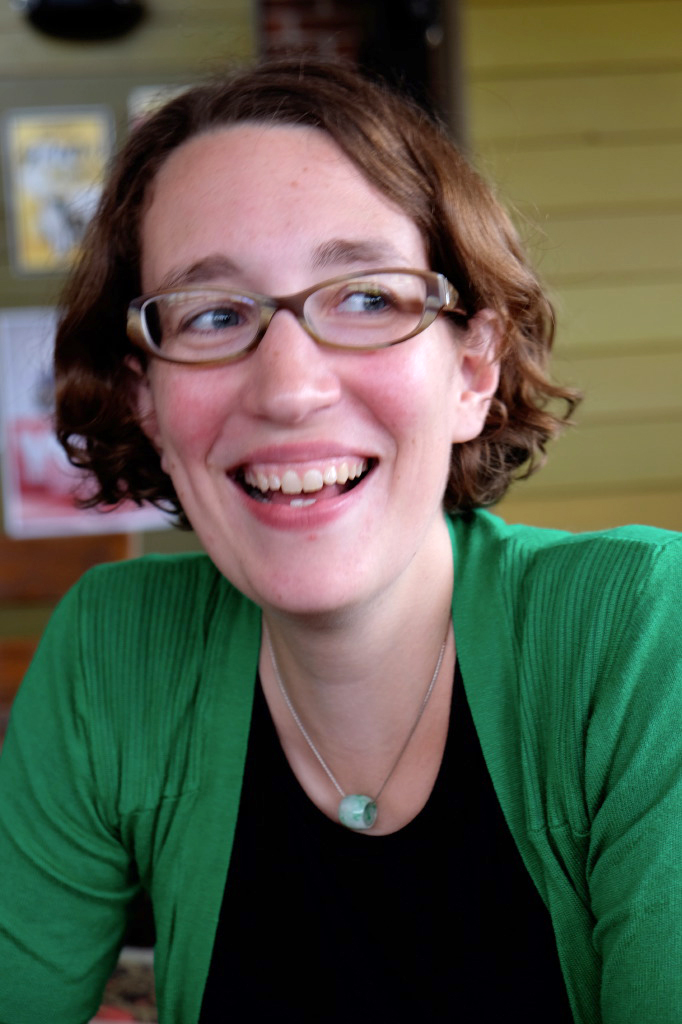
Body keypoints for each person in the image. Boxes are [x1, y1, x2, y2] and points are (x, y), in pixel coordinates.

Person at [0, 57, 680, 1024]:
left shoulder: (641, 633)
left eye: (366, 298)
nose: (289, 388)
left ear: (473, 369)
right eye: (213, 314)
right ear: (146, 398)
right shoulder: (114, 650)